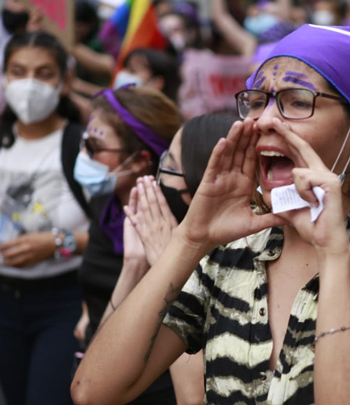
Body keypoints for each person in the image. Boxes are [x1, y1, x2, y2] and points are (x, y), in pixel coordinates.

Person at [72, 24, 350, 405]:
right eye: (257, 102)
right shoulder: (237, 242)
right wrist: (191, 238)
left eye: (297, 102)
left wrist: (333, 255)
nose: (263, 121)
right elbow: (94, 391)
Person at [0, 31, 89, 405]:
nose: (30, 83)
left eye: (44, 73)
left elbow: (117, 236)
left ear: (64, 81)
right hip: (1, 301)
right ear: (3, 77)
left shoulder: (84, 147)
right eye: (18, 70)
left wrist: (57, 243)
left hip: (66, 301)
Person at [77, 113, 238, 404]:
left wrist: (170, 262)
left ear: (201, 183)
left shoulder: (229, 262)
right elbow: (93, 379)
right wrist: (134, 265)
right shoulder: (150, 234)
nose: (158, 175)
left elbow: (193, 398)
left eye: (171, 165)